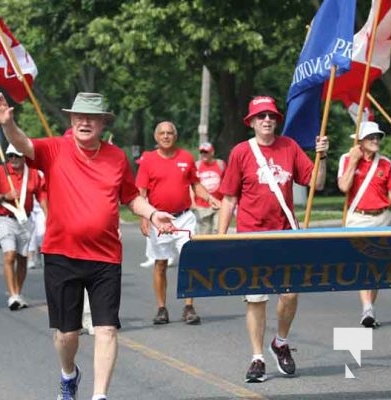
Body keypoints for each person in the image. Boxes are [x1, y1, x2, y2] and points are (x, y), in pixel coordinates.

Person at [0, 91, 175, 400]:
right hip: (62, 255)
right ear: (71, 120)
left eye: (91, 118)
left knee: (106, 329)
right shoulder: (55, 149)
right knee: (66, 335)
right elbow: (23, 145)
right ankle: (69, 373)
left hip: (105, 257)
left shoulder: (116, 157)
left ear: (102, 123)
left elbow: (130, 196)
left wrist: (153, 214)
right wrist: (8, 123)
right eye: (79, 117)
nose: (84, 122)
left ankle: (99, 396)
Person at [217, 96, 329, 383]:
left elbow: (315, 182)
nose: (267, 120)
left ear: (276, 121)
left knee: (290, 294)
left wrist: (322, 157)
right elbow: (229, 199)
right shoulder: (241, 152)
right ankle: (257, 357)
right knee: (256, 298)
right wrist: (218, 239)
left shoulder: (289, 147)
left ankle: (280, 342)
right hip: (252, 236)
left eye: (271, 116)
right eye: (261, 116)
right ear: (252, 122)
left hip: (285, 233)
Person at [136, 121, 220, 325]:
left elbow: (195, 184)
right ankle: (161, 308)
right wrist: (144, 217)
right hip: (158, 218)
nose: (166, 136)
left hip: (184, 217)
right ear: (156, 137)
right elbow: (141, 192)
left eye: (170, 133)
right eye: (162, 133)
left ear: (175, 136)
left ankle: (189, 307)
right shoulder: (148, 160)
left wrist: (209, 198)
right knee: (161, 263)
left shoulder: (186, 158)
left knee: (189, 259)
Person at [337, 121, 391, 328]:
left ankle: (368, 310)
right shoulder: (346, 159)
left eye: (377, 137)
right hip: (358, 217)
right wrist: (354, 161)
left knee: (377, 264)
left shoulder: (385, 163)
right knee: (363, 262)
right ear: (360, 141)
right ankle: (367, 308)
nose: (376, 141)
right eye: (371, 137)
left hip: (383, 217)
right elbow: (344, 186)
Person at [0, 144, 46, 311]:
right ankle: (12, 295)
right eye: (10, 155)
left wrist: (49, 215)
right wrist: (5, 196)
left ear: (24, 156)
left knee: (22, 258)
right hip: (5, 219)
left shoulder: (32, 173)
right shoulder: (1, 171)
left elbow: (41, 195)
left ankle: (18, 293)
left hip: (25, 221)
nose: (13, 159)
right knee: (9, 255)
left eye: (17, 155)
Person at [192, 141, 226, 234]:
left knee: (219, 232)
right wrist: (193, 202)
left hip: (219, 204)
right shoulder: (197, 166)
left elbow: (226, 182)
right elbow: (192, 185)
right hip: (202, 205)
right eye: (202, 152)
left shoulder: (220, 164)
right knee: (204, 234)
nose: (204, 154)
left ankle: (218, 248)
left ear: (212, 152)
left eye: (206, 152)